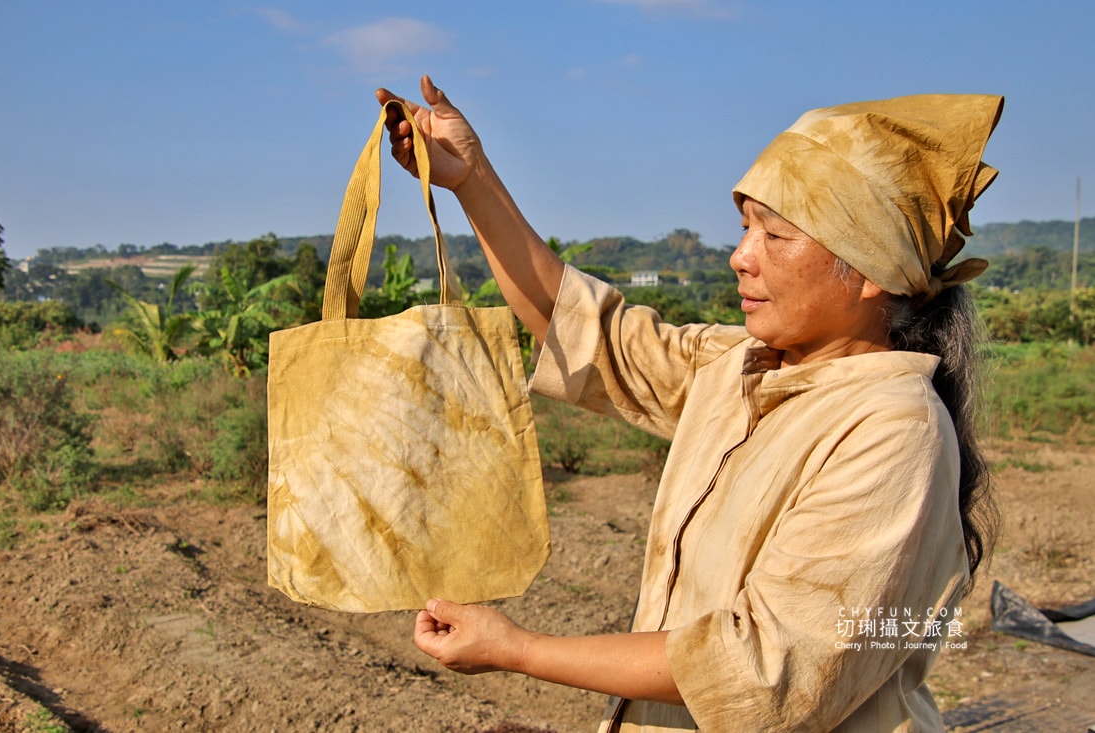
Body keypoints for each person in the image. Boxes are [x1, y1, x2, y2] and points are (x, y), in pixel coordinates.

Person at [375, 76, 1003, 732]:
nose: (739, 257)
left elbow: (762, 668)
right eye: (744, 229)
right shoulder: (736, 368)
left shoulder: (894, 430)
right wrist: (470, 178)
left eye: (775, 236)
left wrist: (520, 649)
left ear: (873, 271)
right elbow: (590, 333)